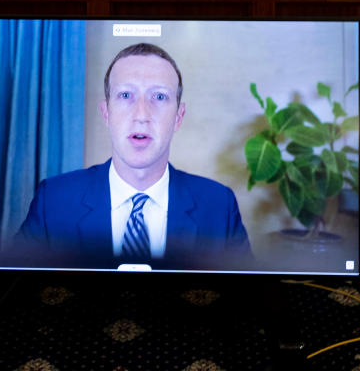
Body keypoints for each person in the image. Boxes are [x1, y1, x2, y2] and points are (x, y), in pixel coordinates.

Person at [16, 43, 251, 269]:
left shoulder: (220, 207)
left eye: (159, 97)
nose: (141, 115)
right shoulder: (54, 201)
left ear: (179, 116)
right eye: (126, 95)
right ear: (106, 113)